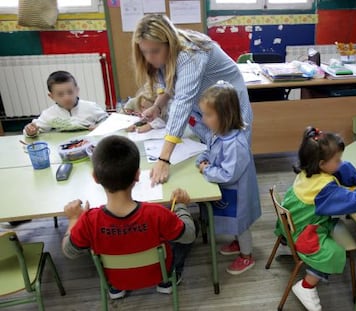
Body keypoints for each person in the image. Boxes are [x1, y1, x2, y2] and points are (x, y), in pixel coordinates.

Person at [61, 135, 196, 299]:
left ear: (95, 177)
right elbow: (189, 235)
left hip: (115, 278)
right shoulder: (157, 213)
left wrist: (75, 219)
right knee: (179, 232)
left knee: (93, 242)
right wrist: (181, 205)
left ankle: (116, 288)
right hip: (158, 273)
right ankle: (166, 282)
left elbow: (69, 251)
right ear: (138, 175)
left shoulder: (89, 220)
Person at [275, 127, 356, 311]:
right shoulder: (325, 189)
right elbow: (348, 200)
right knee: (333, 253)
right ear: (322, 163)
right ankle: (306, 286)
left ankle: (286, 243)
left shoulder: (309, 170)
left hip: (292, 224)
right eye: (337, 160)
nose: (341, 163)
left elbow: (341, 169)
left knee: (336, 224)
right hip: (305, 231)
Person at [132, 14, 253, 185]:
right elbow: (167, 83)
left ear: (169, 43)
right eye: (144, 52)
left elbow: (182, 102)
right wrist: (158, 106)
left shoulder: (190, 54)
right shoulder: (165, 54)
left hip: (229, 107)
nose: (149, 58)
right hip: (207, 107)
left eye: (155, 51)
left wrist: (164, 159)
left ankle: (236, 208)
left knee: (232, 163)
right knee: (212, 157)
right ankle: (217, 204)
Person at [195, 82, 261, 275]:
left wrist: (206, 171)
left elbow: (228, 174)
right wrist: (203, 160)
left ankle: (247, 256)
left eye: (208, 115)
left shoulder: (235, 143)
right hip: (227, 189)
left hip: (237, 192)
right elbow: (210, 151)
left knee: (241, 224)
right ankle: (237, 243)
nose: (204, 119)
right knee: (234, 223)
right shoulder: (218, 133)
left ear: (224, 115)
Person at [23, 70, 107, 137]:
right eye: (60, 94)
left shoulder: (90, 107)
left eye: (70, 92)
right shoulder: (49, 114)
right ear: (51, 96)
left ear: (77, 90)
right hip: (64, 147)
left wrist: (100, 126)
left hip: (90, 142)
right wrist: (31, 131)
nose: (66, 98)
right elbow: (34, 129)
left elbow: (108, 121)